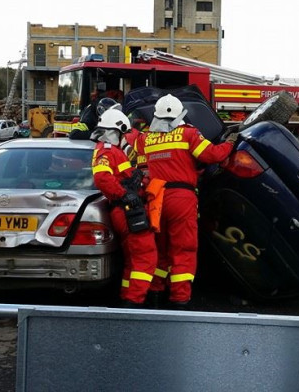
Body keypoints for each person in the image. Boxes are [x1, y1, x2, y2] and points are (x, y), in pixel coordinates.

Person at [136, 94, 238, 308]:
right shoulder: (188, 133)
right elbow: (212, 155)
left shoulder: (145, 139)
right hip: (181, 198)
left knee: (160, 248)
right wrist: (229, 143)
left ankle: (156, 293)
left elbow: (146, 165)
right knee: (183, 249)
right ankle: (180, 298)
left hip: (156, 199)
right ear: (179, 114)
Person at [90, 109, 157, 307]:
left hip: (124, 210)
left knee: (132, 259)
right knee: (146, 257)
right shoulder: (108, 150)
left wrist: (135, 178)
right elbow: (102, 178)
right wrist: (124, 194)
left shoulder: (111, 151)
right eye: (123, 133)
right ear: (116, 131)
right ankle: (134, 302)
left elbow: (118, 177)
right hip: (128, 210)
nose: (124, 138)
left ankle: (127, 297)